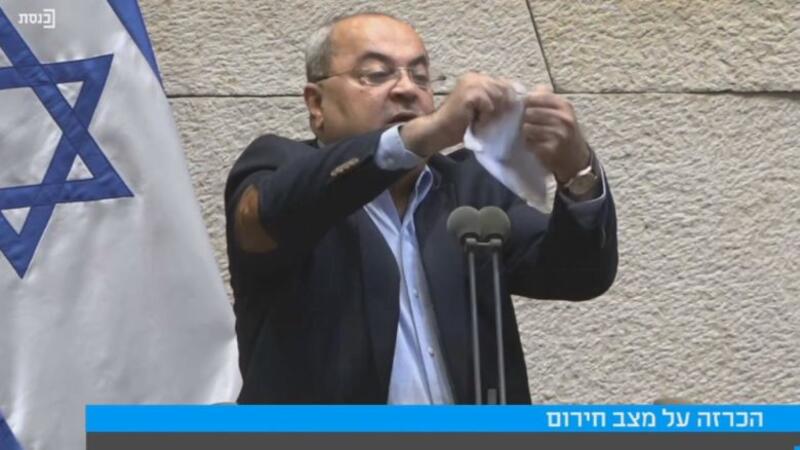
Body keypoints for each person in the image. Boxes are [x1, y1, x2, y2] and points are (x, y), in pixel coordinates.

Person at [224, 12, 617, 404]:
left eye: (421, 76)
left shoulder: (469, 185)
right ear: (316, 104)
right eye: (376, 74)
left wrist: (576, 172)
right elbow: (266, 217)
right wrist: (414, 138)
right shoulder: (280, 167)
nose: (407, 89)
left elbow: (578, 274)